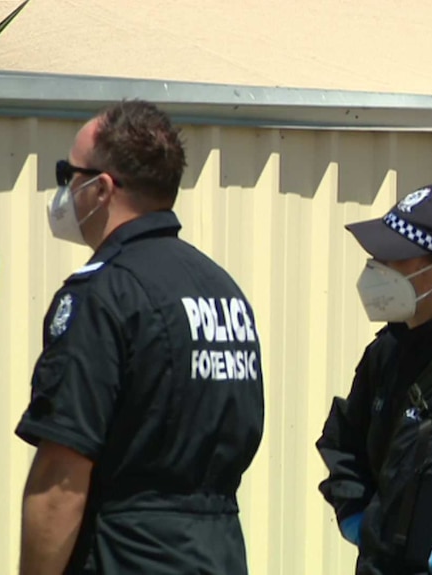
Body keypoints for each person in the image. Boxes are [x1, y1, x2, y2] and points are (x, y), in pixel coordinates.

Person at [14, 100, 265, 575]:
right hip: (218, 552)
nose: (65, 188)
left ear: (102, 188)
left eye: (69, 172)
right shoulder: (220, 287)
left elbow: (62, 475)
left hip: (127, 552)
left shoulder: (103, 294)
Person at [317, 184, 432, 575]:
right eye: (376, 258)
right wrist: (357, 517)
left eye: (395, 260)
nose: (377, 270)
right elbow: (344, 442)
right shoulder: (386, 351)